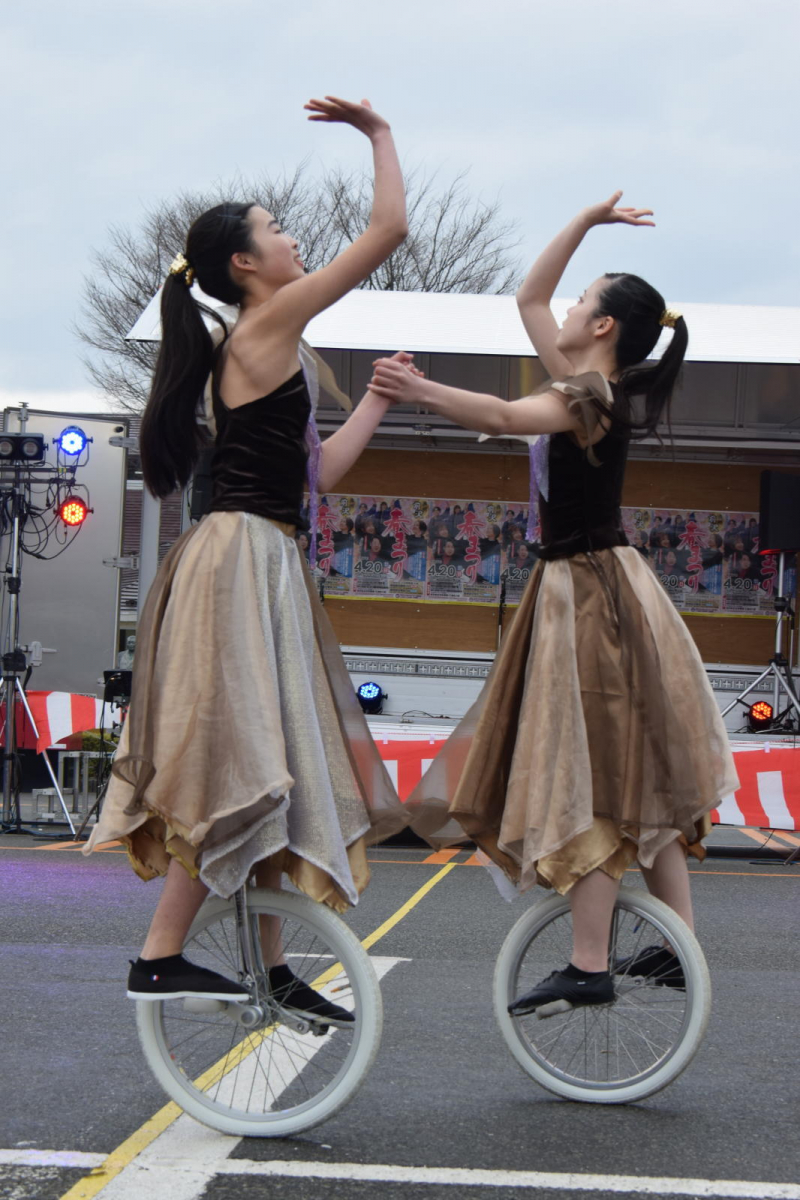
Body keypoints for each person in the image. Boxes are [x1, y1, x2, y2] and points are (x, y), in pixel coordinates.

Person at [369, 192, 738, 1017]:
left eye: (585, 300)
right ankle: (677, 940)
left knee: (596, 768)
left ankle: (589, 961)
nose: (568, 307)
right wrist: (584, 223)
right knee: (636, 764)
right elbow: (529, 299)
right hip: (588, 583)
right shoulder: (584, 381)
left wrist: (419, 389)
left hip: (588, 591)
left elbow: (503, 415)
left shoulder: (590, 397)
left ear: (604, 327)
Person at [84, 96, 410, 1018]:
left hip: (263, 555)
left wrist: (378, 403)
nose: (294, 238)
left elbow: (319, 479)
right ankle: (159, 954)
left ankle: (268, 965)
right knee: (250, 754)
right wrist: (378, 134)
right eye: (276, 230)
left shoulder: (283, 348)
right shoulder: (263, 328)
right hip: (239, 560)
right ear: (244, 266)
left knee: (284, 756)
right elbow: (388, 228)